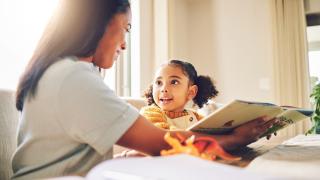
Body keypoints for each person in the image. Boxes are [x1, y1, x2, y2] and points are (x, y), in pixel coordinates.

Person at [11, 0, 277, 179]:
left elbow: (73, 155)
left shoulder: (59, 71)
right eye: (125, 29)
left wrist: (128, 155)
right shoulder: (72, 77)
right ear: (97, 25)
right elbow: (163, 143)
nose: (124, 44)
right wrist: (237, 138)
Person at [141, 59, 219, 130]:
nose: (164, 89)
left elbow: (211, 132)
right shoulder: (150, 113)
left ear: (191, 92)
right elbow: (163, 135)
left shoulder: (196, 116)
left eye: (174, 82)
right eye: (159, 82)